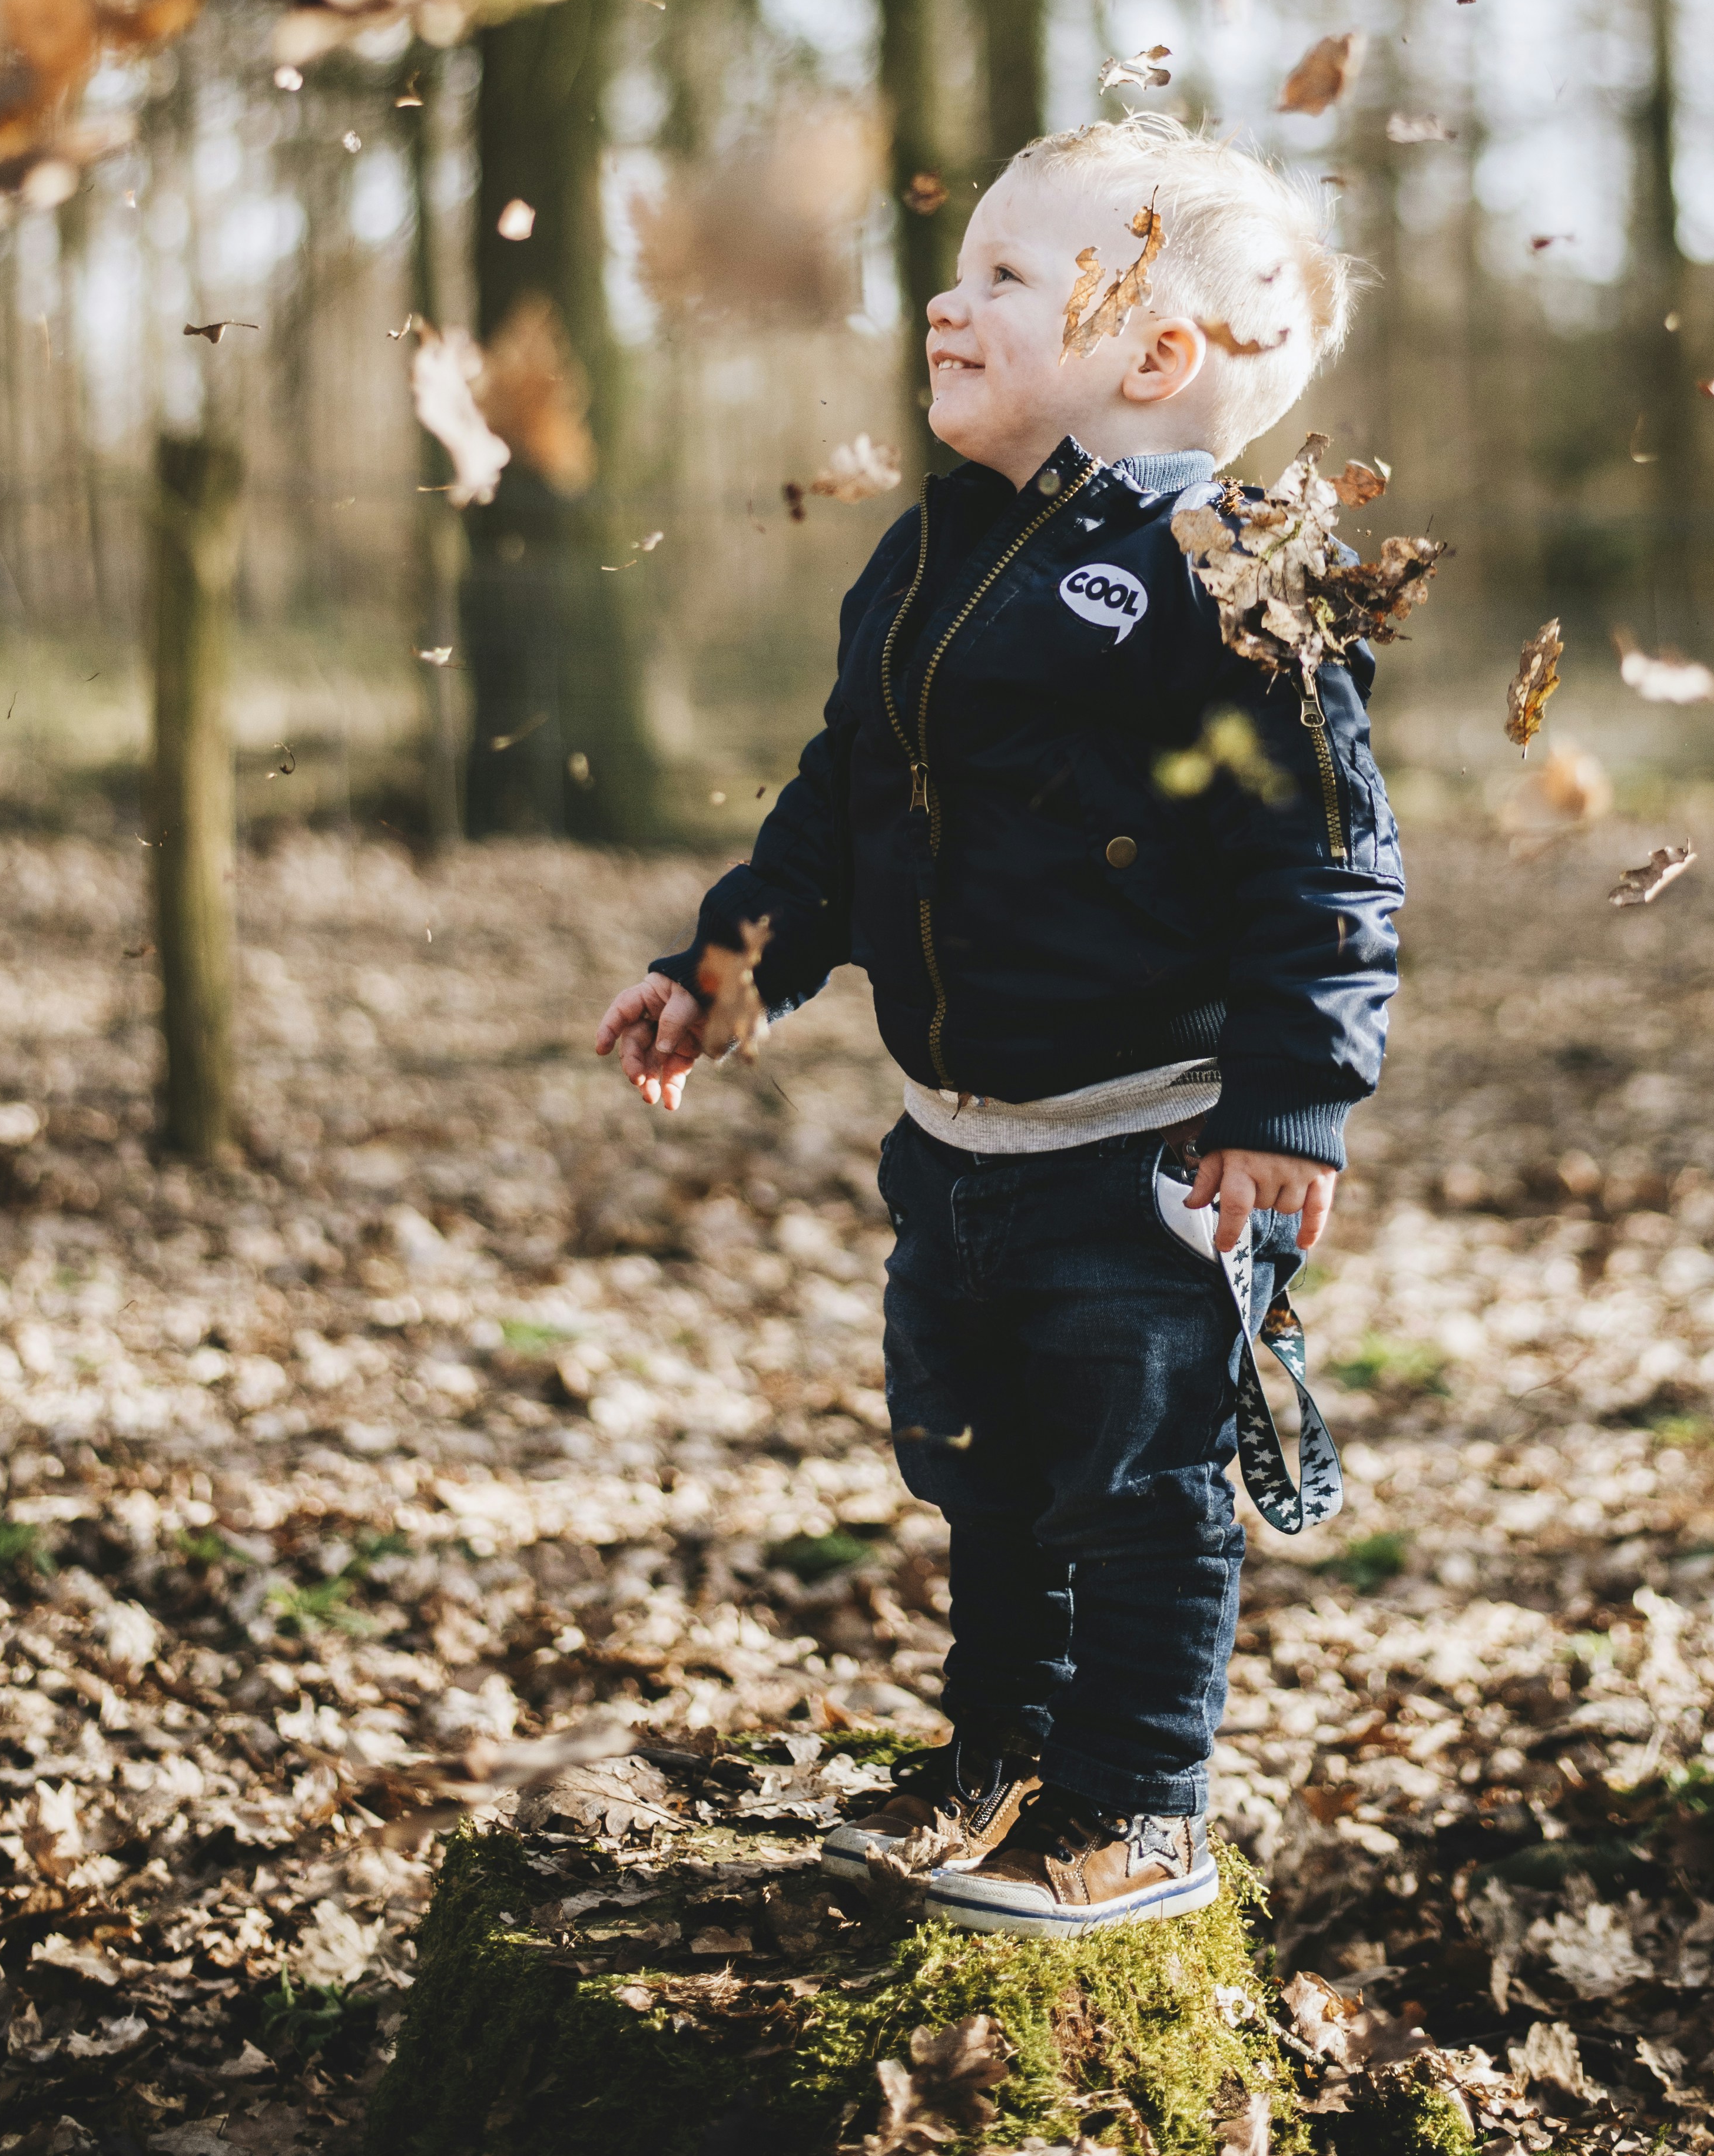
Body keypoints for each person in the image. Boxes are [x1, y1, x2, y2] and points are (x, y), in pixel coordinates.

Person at [594, 113, 1404, 1937]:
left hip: (1146, 1149)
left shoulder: (1229, 570)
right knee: (984, 1473)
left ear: (1152, 354)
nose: (947, 310)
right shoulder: (936, 553)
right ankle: (1002, 1759)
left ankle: (1139, 1806)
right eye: (959, 276)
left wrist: (1290, 1103)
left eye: (1009, 281)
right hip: (956, 1150)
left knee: (1132, 1486)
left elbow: (1329, 863)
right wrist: (731, 965)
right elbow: (846, 803)